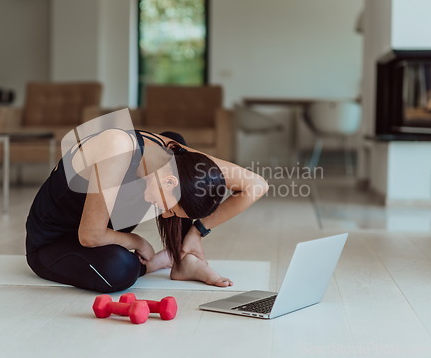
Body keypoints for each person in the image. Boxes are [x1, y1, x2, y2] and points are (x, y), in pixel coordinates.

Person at [25, 125, 269, 293]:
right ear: (169, 182)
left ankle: (183, 260)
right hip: (55, 241)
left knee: (180, 147)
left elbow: (256, 185)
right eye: (171, 211)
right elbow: (90, 236)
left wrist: (197, 231)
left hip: (102, 228)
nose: (164, 216)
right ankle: (153, 264)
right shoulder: (117, 148)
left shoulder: (179, 160)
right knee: (119, 269)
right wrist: (137, 242)